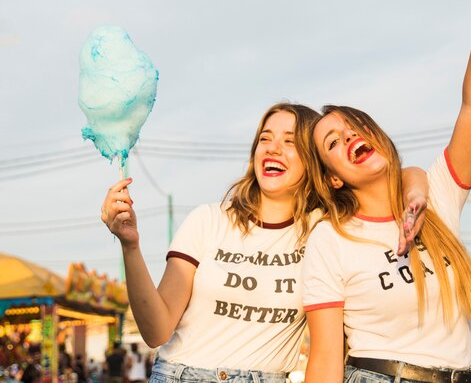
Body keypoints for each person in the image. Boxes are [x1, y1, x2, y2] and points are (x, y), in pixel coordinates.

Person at [303, 0, 471, 383]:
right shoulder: (331, 239)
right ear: (334, 179)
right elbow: (325, 357)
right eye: (333, 143)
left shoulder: (437, 192)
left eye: (353, 126)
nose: (349, 137)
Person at [101, 102, 429, 383]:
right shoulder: (209, 220)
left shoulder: (325, 233)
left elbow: (401, 175)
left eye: (290, 142)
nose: (272, 148)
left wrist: (415, 192)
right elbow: (157, 330)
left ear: (314, 163)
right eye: (265, 138)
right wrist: (130, 246)